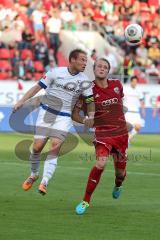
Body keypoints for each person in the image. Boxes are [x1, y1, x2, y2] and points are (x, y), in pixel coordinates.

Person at [13, 49, 95, 195]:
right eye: (82, 59)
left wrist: (91, 116)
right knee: (37, 148)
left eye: (86, 60)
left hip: (64, 116)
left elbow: (90, 100)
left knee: (55, 146)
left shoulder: (85, 81)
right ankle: (34, 174)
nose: (85, 63)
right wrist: (21, 101)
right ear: (72, 60)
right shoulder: (55, 72)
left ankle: (44, 182)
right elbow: (37, 87)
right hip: (46, 113)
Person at [72, 58, 128, 215]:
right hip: (102, 134)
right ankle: (85, 201)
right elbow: (74, 114)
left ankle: (118, 184)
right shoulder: (87, 90)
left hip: (121, 134)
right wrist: (85, 120)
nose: (102, 69)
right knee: (100, 164)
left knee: (120, 174)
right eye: (99, 66)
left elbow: (121, 104)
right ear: (94, 70)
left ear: (108, 71)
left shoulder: (117, 85)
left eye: (105, 67)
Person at [124, 75, 145, 141]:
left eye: (136, 82)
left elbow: (141, 101)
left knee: (138, 127)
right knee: (126, 128)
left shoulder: (139, 91)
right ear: (131, 82)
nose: (134, 83)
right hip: (128, 112)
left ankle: (128, 139)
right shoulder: (126, 89)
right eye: (133, 81)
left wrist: (143, 110)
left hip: (136, 112)